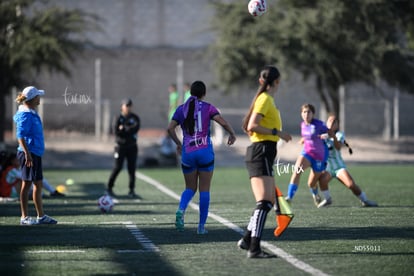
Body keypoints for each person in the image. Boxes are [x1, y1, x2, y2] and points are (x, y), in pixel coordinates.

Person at [167, 80, 236, 234]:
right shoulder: (208, 107)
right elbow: (222, 121)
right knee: (204, 190)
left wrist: (179, 144)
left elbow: (170, 128)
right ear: (204, 94)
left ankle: (181, 210)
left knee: (190, 188)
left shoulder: (181, 109)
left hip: (188, 153)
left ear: (190, 93)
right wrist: (232, 133)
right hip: (205, 152)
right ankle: (201, 227)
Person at [237, 65, 292, 258]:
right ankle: (254, 248)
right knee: (264, 203)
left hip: (265, 152)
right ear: (276, 82)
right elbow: (253, 126)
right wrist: (278, 133)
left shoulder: (265, 99)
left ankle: (246, 240)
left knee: (267, 202)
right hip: (261, 151)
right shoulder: (265, 99)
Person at [13, 86, 57, 225]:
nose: (39, 98)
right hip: (28, 154)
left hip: (35, 153)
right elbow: (20, 136)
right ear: (32, 99)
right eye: (37, 96)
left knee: (38, 184)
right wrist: (27, 154)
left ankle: (41, 216)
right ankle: (24, 217)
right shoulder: (25, 115)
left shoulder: (31, 112)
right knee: (26, 184)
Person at [316, 114, 378, 207]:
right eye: (330, 121)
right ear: (326, 123)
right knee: (321, 180)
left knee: (351, 184)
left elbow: (338, 147)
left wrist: (333, 137)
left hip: (338, 167)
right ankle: (328, 199)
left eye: (334, 122)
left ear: (337, 125)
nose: (331, 123)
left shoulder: (339, 134)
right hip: (327, 168)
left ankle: (365, 200)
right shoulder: (323, 135)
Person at [285, 104, 333, 206]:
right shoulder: (303, 125)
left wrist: (326, 135)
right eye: (304, 112)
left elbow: (330, 133)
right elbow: (308, 136)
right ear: (301, 114)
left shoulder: (319, 124)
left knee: (311, 183)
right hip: (307, 153)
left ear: (313, 114)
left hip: (320, 156)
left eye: (309, 112)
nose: (306, 114)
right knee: (297, 170)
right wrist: (303, 140)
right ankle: (289, 197)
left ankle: (315, 195)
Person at [107, 98, 141, 198]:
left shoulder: (135, 117)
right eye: (126, 105)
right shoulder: (118, 118)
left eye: (130, 105)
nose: (128, 107)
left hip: (132, 146)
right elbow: (116, 132)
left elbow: (135, 129)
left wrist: (124, 128)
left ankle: (131, 190)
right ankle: (109, 188)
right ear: (122, 106)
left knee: (132, 169)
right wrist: (126, 129)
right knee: (117, 167)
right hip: (120, 147)